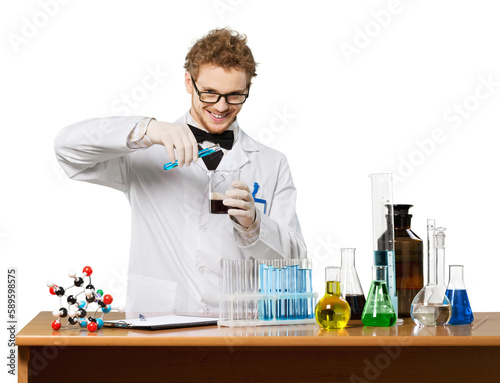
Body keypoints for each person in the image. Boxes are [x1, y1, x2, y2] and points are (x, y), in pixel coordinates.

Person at [54, 28, 306, 315]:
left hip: (239, 325)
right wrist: (149, 129)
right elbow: (67, 148)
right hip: (160, 322)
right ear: (189, 81)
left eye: (235, 96)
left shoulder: (272, 163)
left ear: (247, 90)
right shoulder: (143, 152)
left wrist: (255, 225)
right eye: (209, 93)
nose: (221, 107)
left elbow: (294, 260)